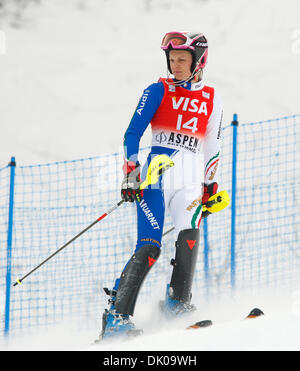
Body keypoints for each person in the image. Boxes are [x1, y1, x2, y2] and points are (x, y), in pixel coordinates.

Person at [99, 32, 223, 340]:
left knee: (190, 237)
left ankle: (176, 304)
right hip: (156, 179)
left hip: (191, 182)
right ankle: (117, 319)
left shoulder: (211, 97)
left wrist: (210, 185)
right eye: (172, 60)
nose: (176, 65)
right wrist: (131, 171)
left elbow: (213, 145)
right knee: (150, 247)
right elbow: (132, 134)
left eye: (182, 59)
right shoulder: (157, 90)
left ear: (199, 61)